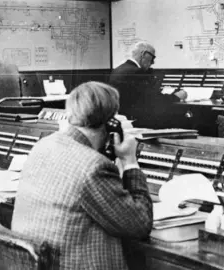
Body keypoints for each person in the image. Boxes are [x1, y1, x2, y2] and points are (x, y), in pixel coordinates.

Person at [11, 81, 153, 270]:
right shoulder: (93, 167)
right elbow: (139, 225)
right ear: (111, 123)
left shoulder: (43, 145)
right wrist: (129, 162)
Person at [109, 41, 188, 128]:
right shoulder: (137, 72)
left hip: (123, 118)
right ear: (143, 54)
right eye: (152, 57)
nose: (153, 62)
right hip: (137, 121)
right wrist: (176, 96)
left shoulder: (118, 70)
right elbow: (153, 100)